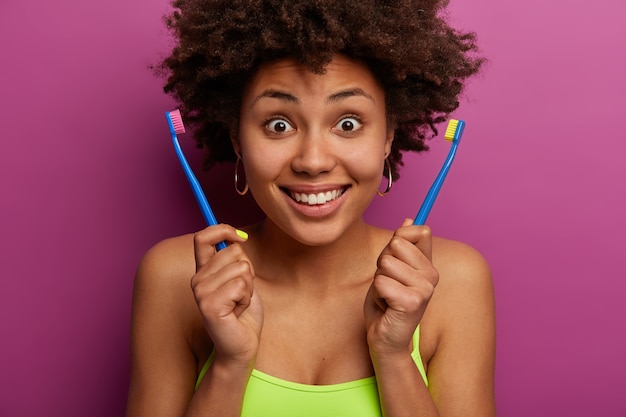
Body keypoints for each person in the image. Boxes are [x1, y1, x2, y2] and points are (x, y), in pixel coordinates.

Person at [126, 1, 496, 416]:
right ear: (237, 139)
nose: (313, 160)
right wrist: (229, 366)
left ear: (389, 136)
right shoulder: (176, 278)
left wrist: (393, 357)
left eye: (348, 123)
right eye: (278, 124)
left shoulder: (453, 281)